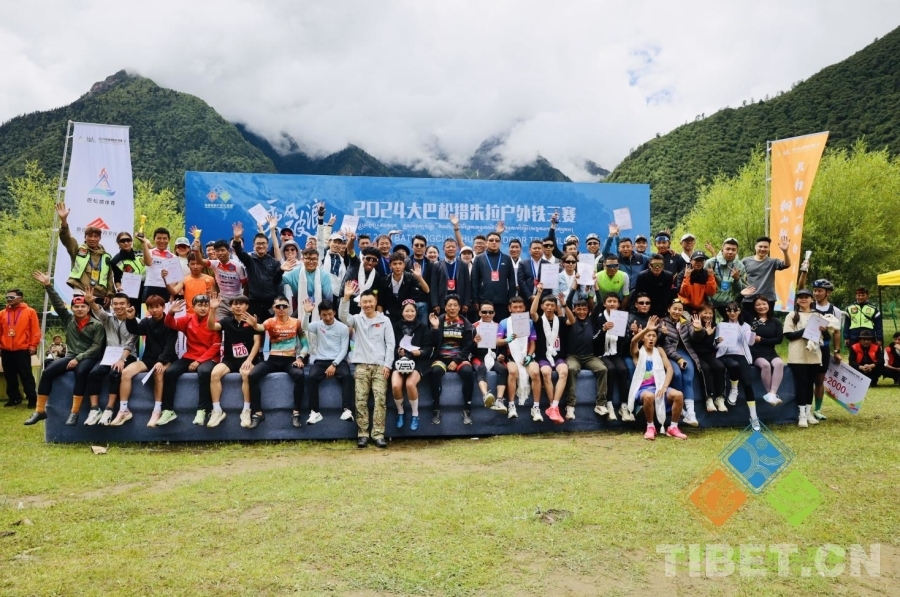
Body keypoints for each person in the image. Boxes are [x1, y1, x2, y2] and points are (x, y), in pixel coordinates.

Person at [24, 272, 105, 426]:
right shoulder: (68, 320)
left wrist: (78, 359)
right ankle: (40, 411)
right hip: (71, 356)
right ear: (72, 308)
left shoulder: (97, 325)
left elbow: (96, 347)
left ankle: (74, 412)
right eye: (76, 306)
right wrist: (48, 285)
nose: (80, 309)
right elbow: (58, 304)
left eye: (83, 306)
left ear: (88, 308)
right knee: (47, 372)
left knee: (81, 372)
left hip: (89, 357)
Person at [339, 285, 395, 448]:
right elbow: (343, 316)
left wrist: (388, 365)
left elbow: (390, 344)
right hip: (362, 366)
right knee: (360, 400)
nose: (367, 305)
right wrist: (346, 298)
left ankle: (378, 434)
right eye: (364, 302)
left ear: (375, 301)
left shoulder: (385, 320)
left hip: (380, 367)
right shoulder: (357, 319)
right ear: (361, 304)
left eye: (370, 301)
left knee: (380, 400)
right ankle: (362, 434)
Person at [246, 296, 308, 428]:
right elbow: (260, 328)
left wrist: (300, 358)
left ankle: (296, 413)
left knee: (299, 375)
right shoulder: (270, 322)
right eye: (278, 306)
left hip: (290, 359)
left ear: (289, 307)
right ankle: (258, 413)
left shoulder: (296, 322)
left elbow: (306, 345)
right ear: (273, 308)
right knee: (252, 375)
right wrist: (254, 325)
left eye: (284, 306)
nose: (281, 309)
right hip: (273, 359)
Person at [161, 295, 221, 427]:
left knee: (204, 372)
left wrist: (199, 361)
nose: (203, 308)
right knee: (170, 372)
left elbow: (216, 346)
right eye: (200, 305)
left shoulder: (214, 321)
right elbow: (170, 323)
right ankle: (168, 410)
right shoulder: (188, 319)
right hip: (190, 356)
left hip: (209, 357)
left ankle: (202, 410)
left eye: (206, 305)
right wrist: (170, 312)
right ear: (193, 307)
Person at [783, 288, 839, 428]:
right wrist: (807, 330)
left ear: (811, 300)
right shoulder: (792, 315)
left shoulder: (818, 315)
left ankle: (809, 412)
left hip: (814, 355)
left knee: (810, 384)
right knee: (801, 384)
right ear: (797, 300)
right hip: (797, 355)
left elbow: (826, 338)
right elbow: (789, 335)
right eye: (800, 297)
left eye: (806, 297)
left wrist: (824, 331)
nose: (803, 299)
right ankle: (801, 414)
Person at [118, 295, 178, 426]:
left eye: (157, 307)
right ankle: (123, 410)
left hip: (167, 359)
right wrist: (131, 318)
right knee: (126, 372)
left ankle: (157, 410)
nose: (154, 310)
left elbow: (169, 347)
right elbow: (135, 330)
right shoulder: (146, 322)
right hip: (149, 359)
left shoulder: (170, 323)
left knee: (158, 373)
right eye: (151, 307)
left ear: (163, 307)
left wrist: (161, 361)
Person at [714, 301, 773, 431]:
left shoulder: (745, 326)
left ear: (740, 311)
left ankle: (754, 416)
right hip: (725, 354)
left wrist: (752, 331)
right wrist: (717, 341)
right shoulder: (721, 325)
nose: (732, 313)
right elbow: (716, 344)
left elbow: (750, 343)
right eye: (729, 310)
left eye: (735, 310)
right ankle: (734, 388)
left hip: (741, 354)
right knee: (733, 365)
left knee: (747, 383)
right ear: (726, 312)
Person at [206, 294, 263, 428]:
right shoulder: (226, 321)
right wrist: (213, 310)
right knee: (214, 374)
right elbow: (211, 326)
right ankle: (217, 411)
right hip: (230, 359)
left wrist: (249, 360)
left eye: (241, 304)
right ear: (231, 307)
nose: (237, 306)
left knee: (246, 374)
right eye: (234, 304)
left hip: (248, 359)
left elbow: (257, 343)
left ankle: (246, 410)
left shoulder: (252, 320)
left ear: (247, 306)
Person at [626, 316, 687, 440]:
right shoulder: (637, 352)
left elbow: (669, 369)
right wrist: (647, 329)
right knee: (649, 396)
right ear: (643, 338)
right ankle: (650, 427)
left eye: (654, 336)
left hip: (659, 387)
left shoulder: (659, 350)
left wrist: (664, 387)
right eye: (648, 336)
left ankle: (673, 427)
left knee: (678, 395)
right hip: (643, 389)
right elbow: (633, 341)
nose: (651, 338)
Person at [83, 290, 137, 426]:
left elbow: (131, 343)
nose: (118, 306)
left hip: (128, 355)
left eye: (122, 304)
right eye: (115, 304)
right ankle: (94, 409)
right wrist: (91, 302)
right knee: (94, 373)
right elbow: (99, 311)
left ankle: (109, 408)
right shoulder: (108, 318)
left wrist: (122, 359)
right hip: (110, 355)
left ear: (128, 305)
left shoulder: (135, 321)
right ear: (112, 305)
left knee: (115, 373)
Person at [301, 299, 353, 424]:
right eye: (324, 315)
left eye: (330, 314)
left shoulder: (343, 328)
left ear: (334, 312)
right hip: (321, 360)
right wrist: (307, 314)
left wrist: (334, 364)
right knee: (311, 377)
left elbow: (344, 349)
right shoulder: (318, 325)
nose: (328, 317)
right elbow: (304, 326)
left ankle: (347, 410)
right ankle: (315, 412)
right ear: (320, 315)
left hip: (338, 360)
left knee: (347, 376)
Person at [428, 295, 476, 425]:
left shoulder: (467, 324)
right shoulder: (438, 320)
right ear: (445, 307)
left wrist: (456, 360)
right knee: (434, 372)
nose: (452, 308)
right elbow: (432, 342)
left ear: (460, 307)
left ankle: (467, 409)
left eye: (455, 305)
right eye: (449, 305)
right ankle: (436, 408)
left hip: (459, 359)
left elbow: (467, 346)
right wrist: (435, 328)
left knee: (468, 372)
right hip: (441, 358)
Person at [530, 286, 574, 424]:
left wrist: (564, 305)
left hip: (558, 356)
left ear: (555, 307)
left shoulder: (560, 320)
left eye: (552, 305)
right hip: (543, 357)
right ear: (542, 306)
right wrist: (539, 293)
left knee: (564, 372)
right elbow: (532, 312)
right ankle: (552, 406)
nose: (549, 307)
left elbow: (572, 321)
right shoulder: (539, 321)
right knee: (546, 372)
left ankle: (554, 406)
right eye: (547, 305)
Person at [55, 202, 115, 302]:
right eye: (89, 236)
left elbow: (109, 277)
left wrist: (109, 295)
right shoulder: (77, 250)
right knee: (81, 312)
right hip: (81, 290)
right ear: (85, 237)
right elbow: (66, 239)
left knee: (99, 313)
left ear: (100, 238)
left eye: (95, 236)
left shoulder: (106, 256)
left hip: (100, 294)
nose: (92, 239)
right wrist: (64, 220)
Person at [657, 299, 702, 427]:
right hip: (670, 354)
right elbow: (665, 346)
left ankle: (691, 413)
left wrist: (698, 329)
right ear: (669, 309)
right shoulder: (662, 322)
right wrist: (679, 359)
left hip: (685, 352)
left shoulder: (686, 323)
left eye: (680, 309)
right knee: (676, 374)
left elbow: (695, 339)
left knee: (688, 378)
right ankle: (680, 409)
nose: (677, 312)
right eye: (674, 309)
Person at [567, 295, 612, 422]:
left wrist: (596, 288)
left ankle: (600, 404)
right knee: (572, 369)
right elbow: (568, 302)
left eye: (584, 309)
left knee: (603, 369)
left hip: (590, 356)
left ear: (588, 310)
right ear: (573, 310)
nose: (582, 312)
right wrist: (574, 287)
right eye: (578, 309)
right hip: (573, 356)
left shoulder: (592, 320)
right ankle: (570, 405)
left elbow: (600, 304)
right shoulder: (570, 321)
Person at [391, 300, 434, 431]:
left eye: (412, 311)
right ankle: (400, 412)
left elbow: (428, 348)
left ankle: (415, 415)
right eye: (407, 311)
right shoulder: (395, 327)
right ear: (402, 312)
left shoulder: (423, 327)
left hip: (418, 361)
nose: (409, 313)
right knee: (396, 385)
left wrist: (419, 352)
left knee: (410, 384)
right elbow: (390, 345)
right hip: (400, 361)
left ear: (416, 312)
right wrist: (398, 352)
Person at [232, 218, 286, 323]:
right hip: (254, 303)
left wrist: (280, 301)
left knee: (270, 329)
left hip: (271, 303)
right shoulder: (249, 260)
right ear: (254, 245)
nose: (261, 246)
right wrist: (237, 238)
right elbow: (239, 251)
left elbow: (279, 283)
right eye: (258, 243)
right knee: (253, 329)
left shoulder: (275, 262)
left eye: (263, 243)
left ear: (267, 245)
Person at [496, 296, 542, 418]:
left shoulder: (530, 322)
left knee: (535, 372)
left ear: (524, 308)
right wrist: (506, 340)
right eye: (515, 307)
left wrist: (529, 355)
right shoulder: (504, 323)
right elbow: (497, 341)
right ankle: (511, 406)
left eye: (520, 307)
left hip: (527, 355)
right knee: (512, 371)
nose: (518, 310)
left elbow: (533, 343)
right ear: (509, 308)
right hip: (511, 356)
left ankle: (536, 407)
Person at [1, 288, 41, 408]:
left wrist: (33, 345)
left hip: (23, 349)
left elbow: (35, 330)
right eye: (7, 297)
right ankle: (14, 398)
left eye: (12, 297)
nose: (9, 299)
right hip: (6, 349)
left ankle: (32, 398)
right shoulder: (2, 313)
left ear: (20, 298)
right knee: (9, 375)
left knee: (26, 375)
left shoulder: (30, 311)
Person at [471, 301, 510, 414]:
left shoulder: (498, 326)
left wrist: (502, 355)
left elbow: (503, 344)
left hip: (493, 357)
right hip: (478, 356)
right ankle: (485, 395)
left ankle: (499, 400)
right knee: (481, 368)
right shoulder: (473, 327)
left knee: (503, 370)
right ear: (479, 313)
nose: (487, 314)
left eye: (490, 312)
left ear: (494, 313)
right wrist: (474, 342)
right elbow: (468, 347)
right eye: (484, 312)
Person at [811, 279, 842, 421]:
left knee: (820, 380)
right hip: (809, 348)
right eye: (815, 290)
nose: (816, 293)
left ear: (828, 293)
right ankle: (805, 408)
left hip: (824, 347)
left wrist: (837, 351)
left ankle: (817, 409)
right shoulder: (809, 305)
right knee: (807, 380)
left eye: (819, 291)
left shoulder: (835, 310)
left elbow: (837, 332)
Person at [194, 239, 248, 319]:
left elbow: (246, 285)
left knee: (237, 324)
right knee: (219, 324)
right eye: (217, 251)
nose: (220, 253)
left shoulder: (238, 266)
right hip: (222, 300)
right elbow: (200, 261)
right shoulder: (215, 264)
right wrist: (196, 249)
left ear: (228, 251)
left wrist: (245, 301)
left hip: (237, 300)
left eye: (222, 250)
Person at [741, 235, 791, 319]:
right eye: (760, 246)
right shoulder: (746, 261)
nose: (763, 249)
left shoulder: (773, 262)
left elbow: (787, 264)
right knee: (748, 323)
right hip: (749, 299)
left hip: (768, 299)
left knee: (767, 323)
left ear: (769, 248)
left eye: (765, 247)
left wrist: (785, 252)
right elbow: (737, 275)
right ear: (755, 247)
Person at [471, 232, 517, 323]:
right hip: (485, 301)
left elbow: (512, 281)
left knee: (502, 326)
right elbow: (474, 281)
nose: (494, 242)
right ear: (486, 243)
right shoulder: (479, 259)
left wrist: (511, 300)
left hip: (503, 301)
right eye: (491, 240)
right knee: (486, 327)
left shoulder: (507, 259)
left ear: (500, 243)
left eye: (497, 240)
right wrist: (475, 300)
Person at [749, 295, 786, 408]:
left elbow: (779, 340)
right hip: (755, 352)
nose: (761, 307)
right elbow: (749, 340)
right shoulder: (752, 321)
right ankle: (769, 393)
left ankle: (772, 393)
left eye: (764, 304)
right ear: (754, 307)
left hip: (770, 351)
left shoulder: (776, 322)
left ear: (769, 305)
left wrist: (762, 340)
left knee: (779, 363)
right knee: (765, 365)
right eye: (758, 305)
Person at [690, 305, 727, 414]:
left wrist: (717, 342)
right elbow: (694, 342)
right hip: (695, 354)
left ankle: (720, 397)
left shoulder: (714, 326)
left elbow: (711, 345)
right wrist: (704, 333)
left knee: (720, 367)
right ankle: (709, 398)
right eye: (705, 313)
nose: (708, 315)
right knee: (705, 369)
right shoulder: (693, 324)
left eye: (710, 313)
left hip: (708, 354)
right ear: (699, 314)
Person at [378, 252, 430, 324]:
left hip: (406, 314)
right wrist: (380, 319)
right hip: (390, 315)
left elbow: (427, 290)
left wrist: (419, 277)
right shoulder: (384, 280)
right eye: (394, 264)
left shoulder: (410, 277)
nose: (397, 266)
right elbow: (380, 303)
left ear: (404, 265)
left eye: (400, 263)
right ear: (390, 266)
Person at [704, 238, 746, 318]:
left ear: (737, 251)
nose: (730, 252)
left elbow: (738, 290)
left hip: (727, 302)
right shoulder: (711, 263)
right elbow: (703, 284)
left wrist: (737, 279)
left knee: (731, 322)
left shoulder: (740, 266)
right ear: (722, 249)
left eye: (733, 250)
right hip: (709, 301)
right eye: (728, 249)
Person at [432, 238, 473, 317]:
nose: (451, 249)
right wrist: (435, 304)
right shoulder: (437, 265)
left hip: (460, 303)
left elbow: (467, 285)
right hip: (442, 303)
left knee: (459, 323)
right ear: (443, 249)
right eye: (448, 247)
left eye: (453, 247)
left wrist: (466, 303)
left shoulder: (463, 265)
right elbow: (434, 286)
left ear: (457, 249)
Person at [110, 231, 146, 310]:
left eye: (128, 240)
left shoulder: (140, 253)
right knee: (133, 312)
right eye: (122, 241)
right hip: (131, 291)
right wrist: (118, 287)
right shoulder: (115, 260)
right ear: (118, 243)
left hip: (146, 287)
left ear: (131, 241)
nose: (126, 243)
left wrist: (144, 242)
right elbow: (117, 278)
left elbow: (152, 253)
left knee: (145, 313)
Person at [340, 247, 381, 317]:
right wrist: (352, 241)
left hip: (363, 308)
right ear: (363, 258)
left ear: (377, 262)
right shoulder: (355, 264)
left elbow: (375, 292)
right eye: (368, 259)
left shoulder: (376, 275)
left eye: (374, 260)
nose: (370, 262)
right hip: (345, 302)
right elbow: (350, 248)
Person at [139, 227, 176, 303]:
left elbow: (174, 278)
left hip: (166, 288)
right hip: (150, 286)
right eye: (159, 238)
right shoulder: (149, 252)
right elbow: (148, 263)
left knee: (165, 310)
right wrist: (144, 243)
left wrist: (172, 295)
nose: (162, 241)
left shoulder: (173, 257)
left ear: (169, 240)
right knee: (146, 310)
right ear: (154, 239)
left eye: (164, 238)